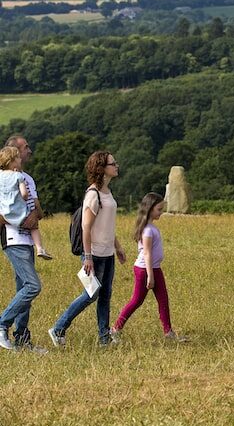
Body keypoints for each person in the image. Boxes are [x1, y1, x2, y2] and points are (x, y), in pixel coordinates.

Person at [49, 151, 126, 347]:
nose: (116, 166)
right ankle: (58, 329)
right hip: (94, 254)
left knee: (105, 296)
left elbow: (107, 225)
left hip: (108, 253)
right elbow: (86, 227)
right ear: (101, 168)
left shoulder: (107, 192)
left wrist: (117, 247)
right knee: (91, 294)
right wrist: (88, 257)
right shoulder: (93, 194)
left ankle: (104, 338)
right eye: (112, 163)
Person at [111, 192, 186, 342]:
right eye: (159, 209)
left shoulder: (151, 227)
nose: (161, 212)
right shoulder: (147, 230)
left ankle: (168, 332)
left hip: (154, 268)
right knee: (137, 300)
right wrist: (150, 276)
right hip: (145, 270)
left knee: (163, 299)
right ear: (150, 209)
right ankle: (115, 329)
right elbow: (147, 254)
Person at [0, 135, 47, 353]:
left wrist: (34, 217)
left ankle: (22, 339)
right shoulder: (2, 179)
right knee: (32, 286)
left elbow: (38, 210)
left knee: (23, 289)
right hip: (13, 238)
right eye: (25, 147)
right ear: (13, 152)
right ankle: (2, 324)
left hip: (27, 238)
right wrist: (12, 218)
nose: (29, 150)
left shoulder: (27, 178)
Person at [0, 145, 51, 259]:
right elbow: (25, 195)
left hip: (6, 214)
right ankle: (40, 248)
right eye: (18, 158)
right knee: (34, 227)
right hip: (20, 218)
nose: (20, 160)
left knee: (20, 276)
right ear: (12, 161)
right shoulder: (19, 176)